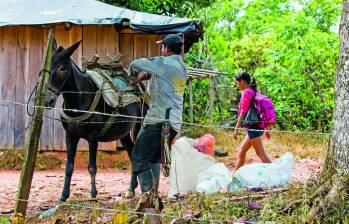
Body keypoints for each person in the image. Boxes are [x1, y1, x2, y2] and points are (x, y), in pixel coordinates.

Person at [127, 34, 187, 208]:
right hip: (174, 123)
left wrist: (132, 78)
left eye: (163, 47)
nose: (161, 50)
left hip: (159, 120)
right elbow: (163, 78)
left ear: (167, 48)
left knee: (138, 156)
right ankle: (154, 196)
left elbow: (134, 63)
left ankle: (147, 195)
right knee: (153, 158)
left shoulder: (163, 62)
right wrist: (146, 76)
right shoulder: (181, 66)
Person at [233, 71, 272, 171]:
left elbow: (243, 112)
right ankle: (235, 177)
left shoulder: (246, 93)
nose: (237, 85)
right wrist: (266, 128)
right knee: (241, 151)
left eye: (237, 83)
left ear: (242, 81)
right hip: (255, 127)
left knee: (261, 154)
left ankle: (276, 174)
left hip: (253, 128)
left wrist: (236, 129)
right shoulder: (253, 91)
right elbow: (260, 112)